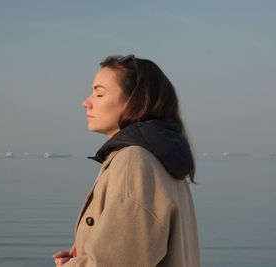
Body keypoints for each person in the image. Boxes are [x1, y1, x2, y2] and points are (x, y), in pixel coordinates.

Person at [53, 55, 200, 266]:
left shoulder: (134, 160)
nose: (86, 102)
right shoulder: (162, 156)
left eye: (99, 93)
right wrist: (83, 254)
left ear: (134, 101)